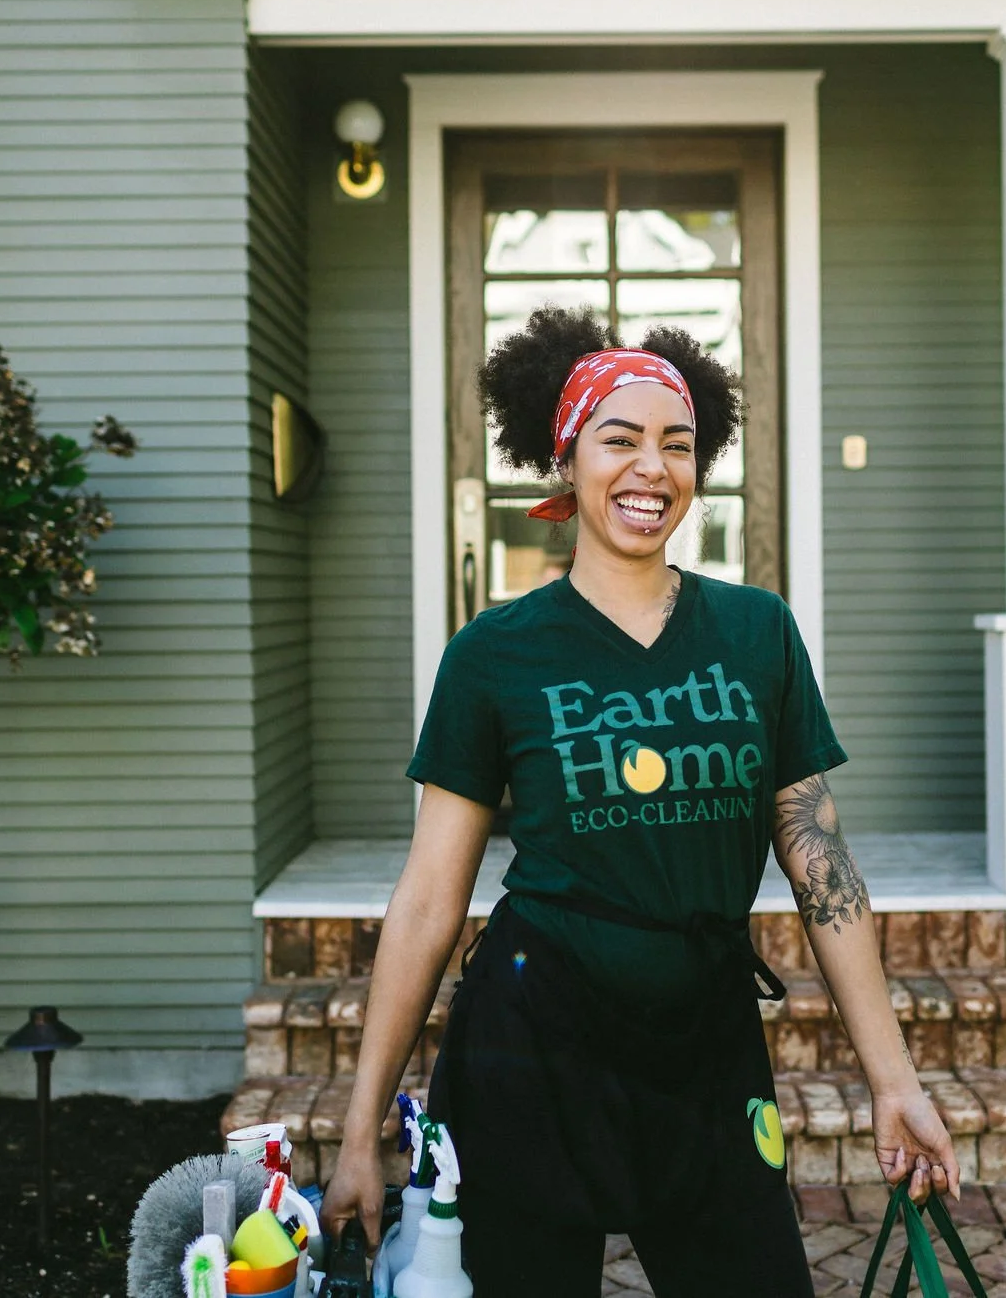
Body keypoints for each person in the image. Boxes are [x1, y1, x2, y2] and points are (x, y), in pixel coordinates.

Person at [318, 306, 958, 1296]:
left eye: (676, 444)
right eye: (619, 441)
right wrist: (361, 1129)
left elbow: (820, 864)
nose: (649, 467)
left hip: (704, 1046)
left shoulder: (756, 632)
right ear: (566, 461)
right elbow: (428, 897)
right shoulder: (494, 653)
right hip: (531, 1047)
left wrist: (894, 1079)